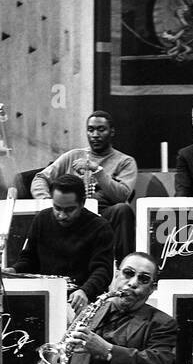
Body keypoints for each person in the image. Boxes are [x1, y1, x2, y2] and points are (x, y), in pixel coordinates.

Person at [30, 110, 137, 257]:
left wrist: (97, 170)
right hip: (71, 213)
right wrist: (47, 202)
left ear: (111, 132)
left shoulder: (125, 161)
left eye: (101, 130)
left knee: (123, 210)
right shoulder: (72, 155)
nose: (95, 135)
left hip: (103, 214)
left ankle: (122, 267)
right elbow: (40, 178)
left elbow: (121, 195)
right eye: (90, 130)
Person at [10, 172, 114, 313]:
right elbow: (29, 259)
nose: (62, 215)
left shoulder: (100, 227)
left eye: (69, 210)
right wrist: (14, 271)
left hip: (81, 302)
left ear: (82, 203)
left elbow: (103, 270)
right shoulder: (41, 219)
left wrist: (85, 291)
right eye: (57, 208)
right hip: (46, 298)